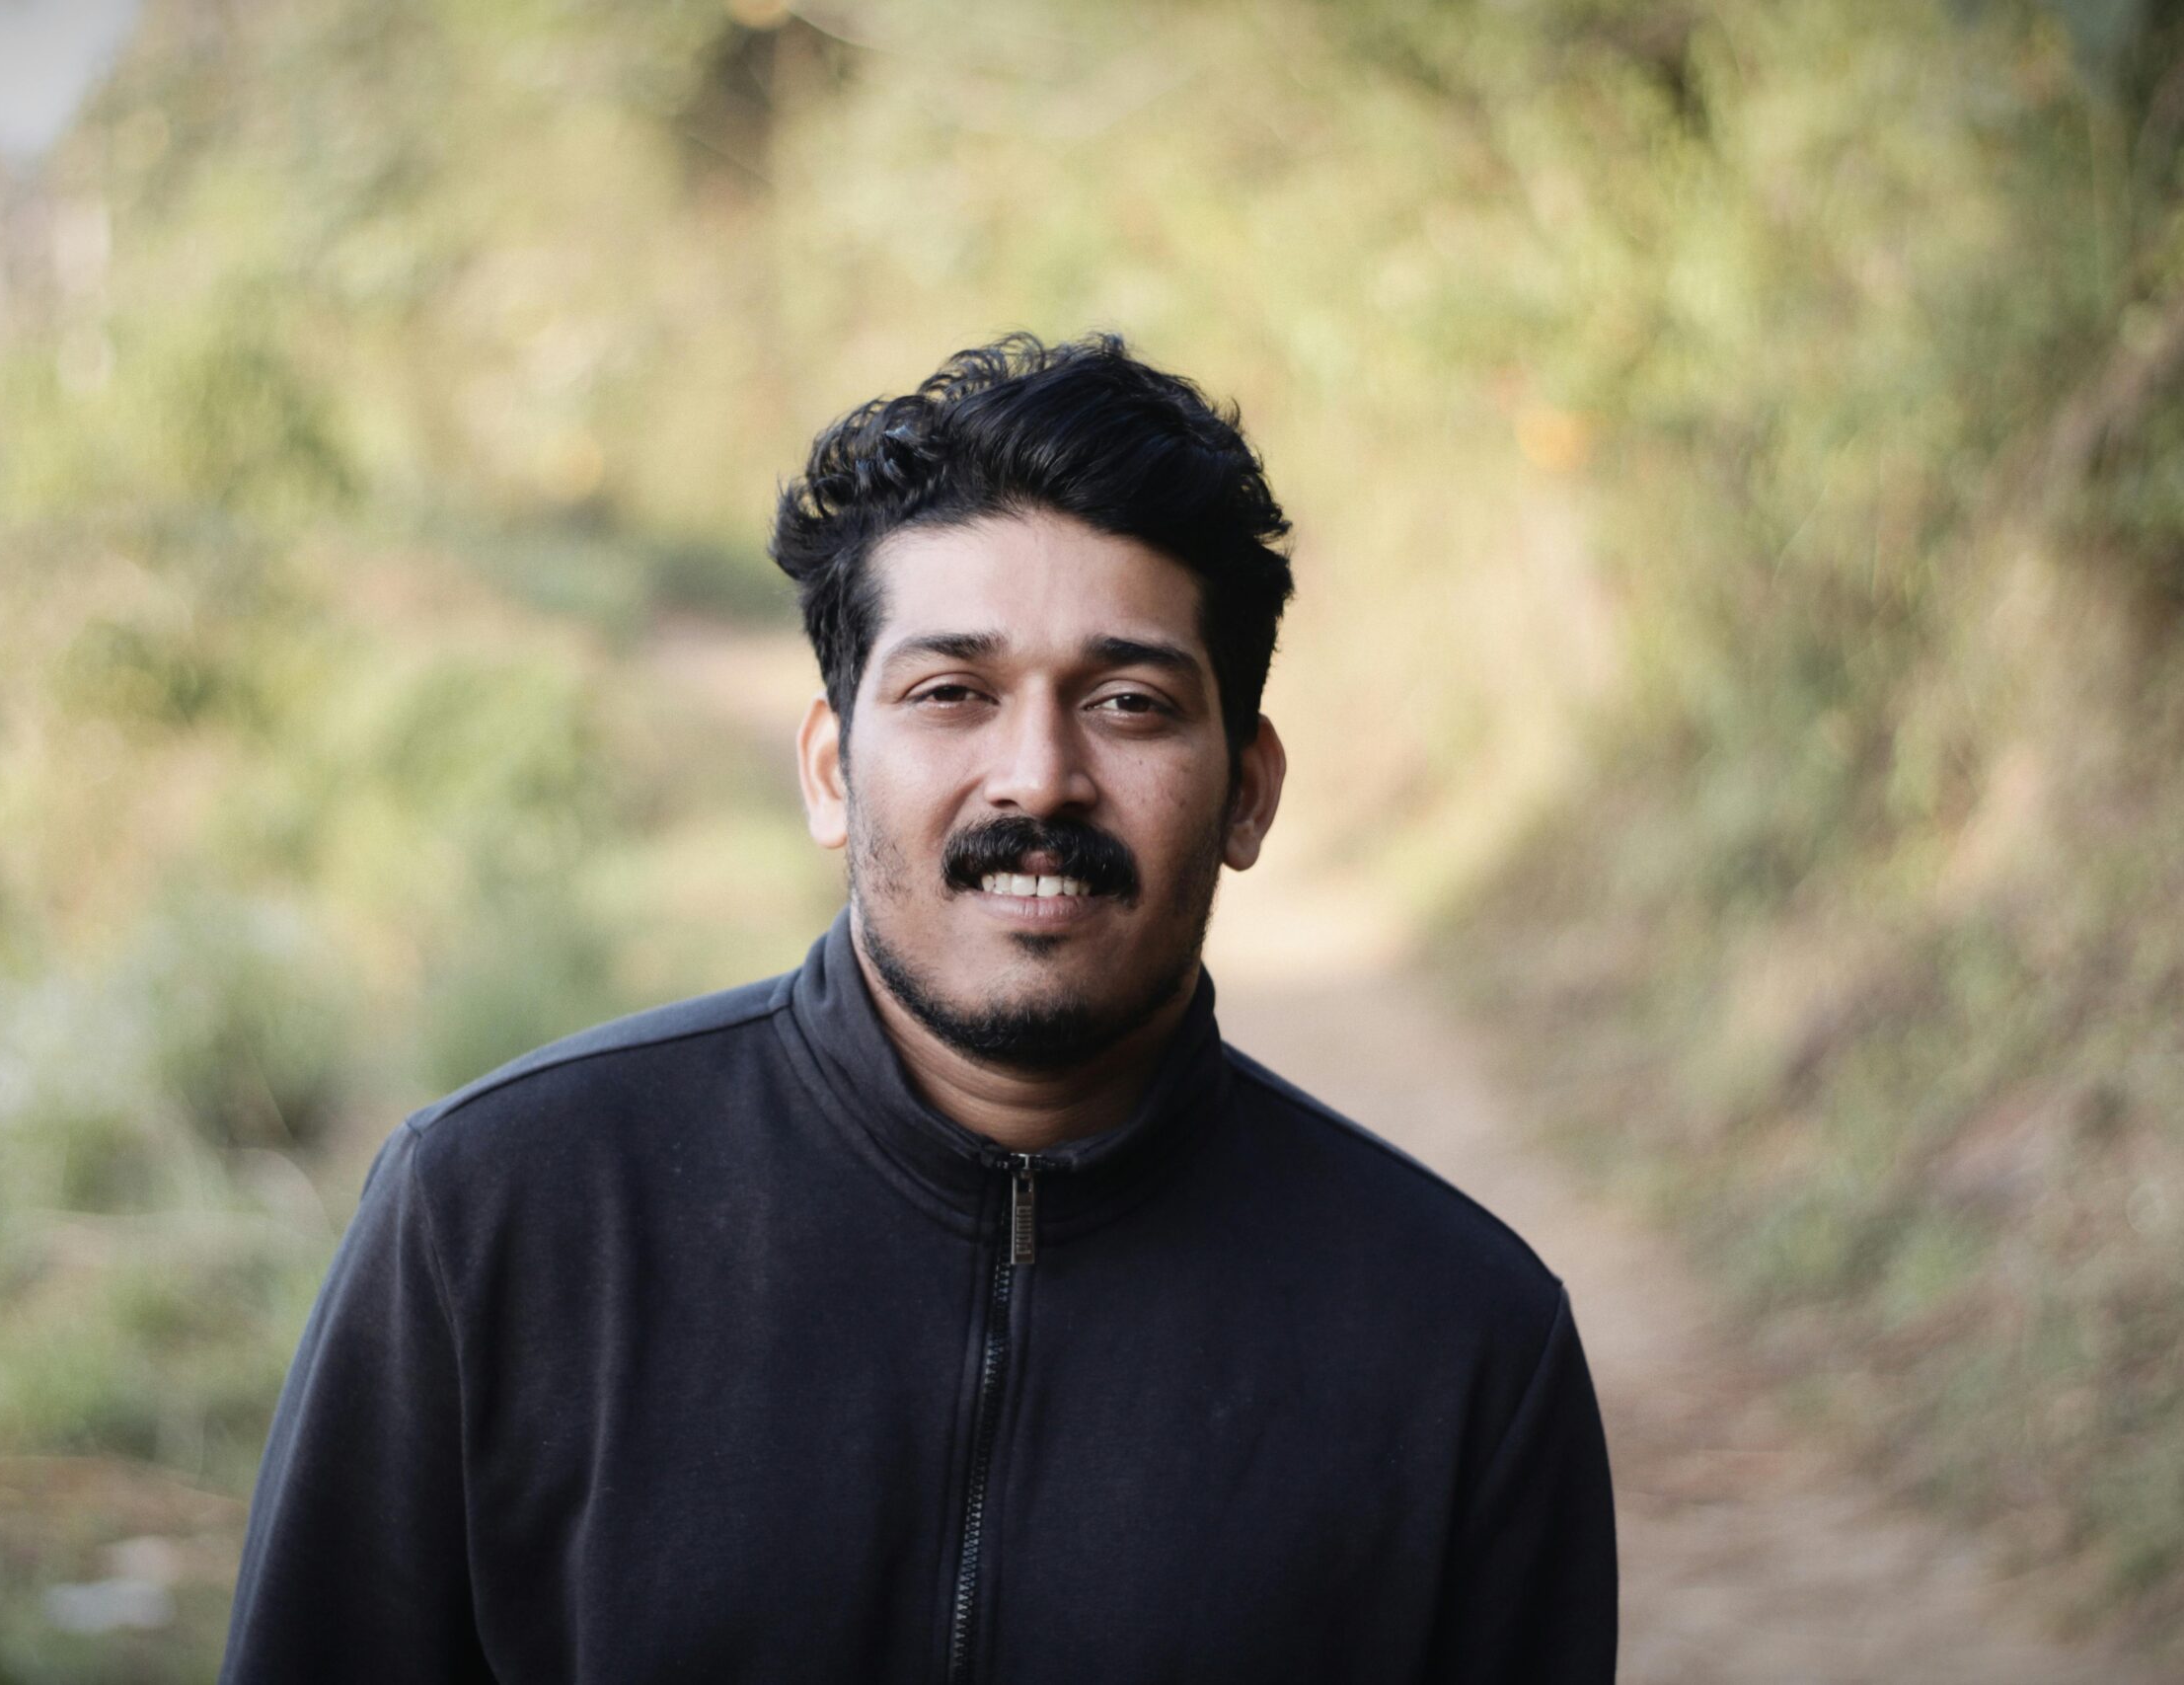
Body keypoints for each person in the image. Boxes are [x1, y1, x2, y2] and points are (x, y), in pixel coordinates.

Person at [221, 333, 1618, 1682]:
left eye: (1129, 702)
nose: (1038, 778)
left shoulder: (1461, 1346)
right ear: (831, 772)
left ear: (1248, 788)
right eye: (953, 691)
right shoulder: (497, 1225)